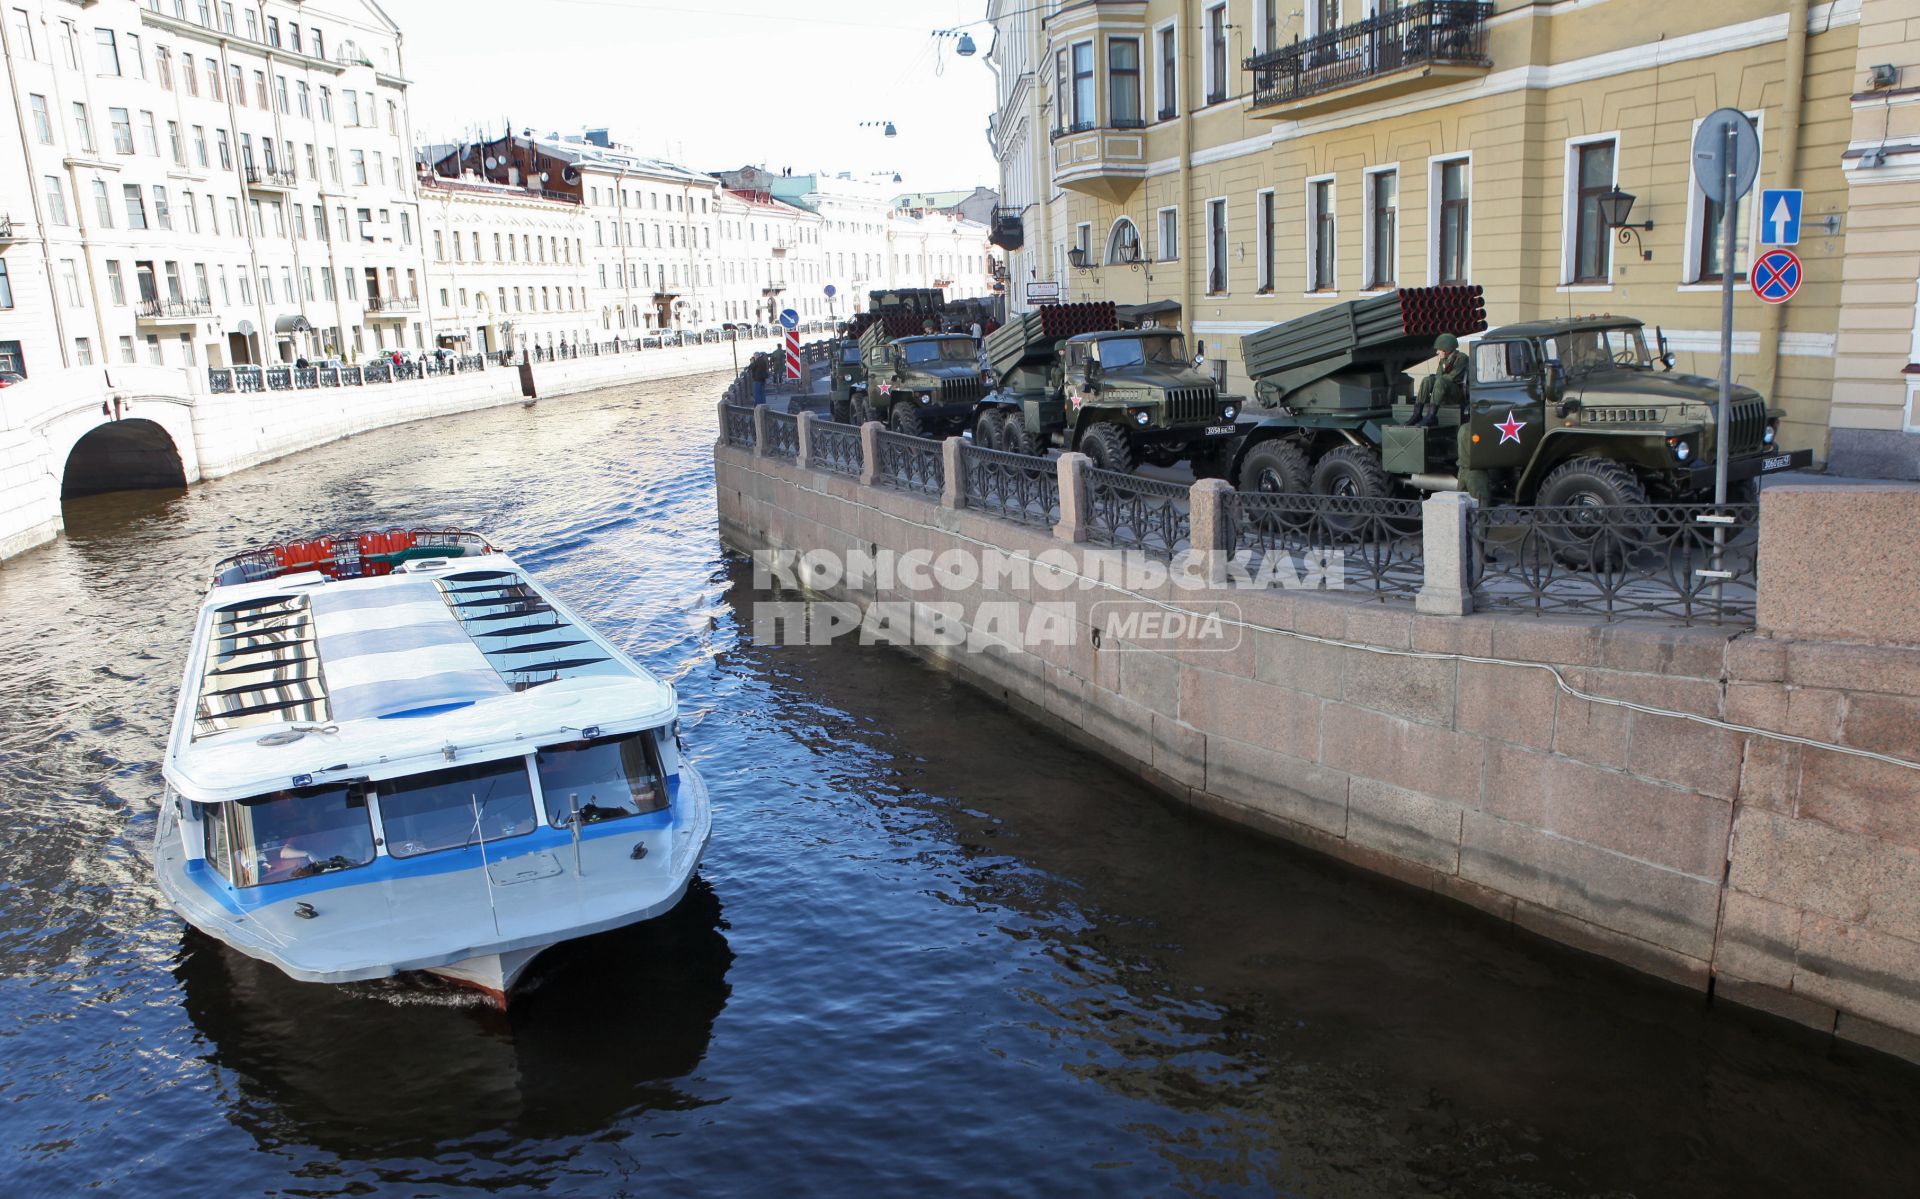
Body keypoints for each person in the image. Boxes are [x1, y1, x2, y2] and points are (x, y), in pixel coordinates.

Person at [1408, 333, 1468, 427]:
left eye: (1439, 349)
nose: (1437, 352)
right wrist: (1434, 379)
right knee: (1427, 380)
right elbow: (1438, 375)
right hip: (1444, 390)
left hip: (1456, 394)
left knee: (1440, 381)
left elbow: (1452, 377)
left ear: (1446, 349)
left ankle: (1431, 416)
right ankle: (1417, 414)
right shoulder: (1443, 360)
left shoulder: (1462, 358)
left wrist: (1437, 379)